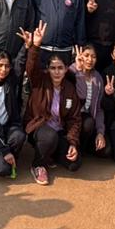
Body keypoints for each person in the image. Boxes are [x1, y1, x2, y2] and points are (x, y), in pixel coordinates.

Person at [20, 22, 83, 185]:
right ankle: (38, 165)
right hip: (38, 128)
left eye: (60, 68)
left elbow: (74, 119)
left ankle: (50, 154)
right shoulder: (39, 80)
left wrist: (72, 143)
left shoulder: (69, 89)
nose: (56, 71)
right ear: (47, 69)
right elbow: (31, 67)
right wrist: (35, 46)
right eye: (53, 68)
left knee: (74, 164)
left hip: (59, 132)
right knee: (49, 137)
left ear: (66, 69)